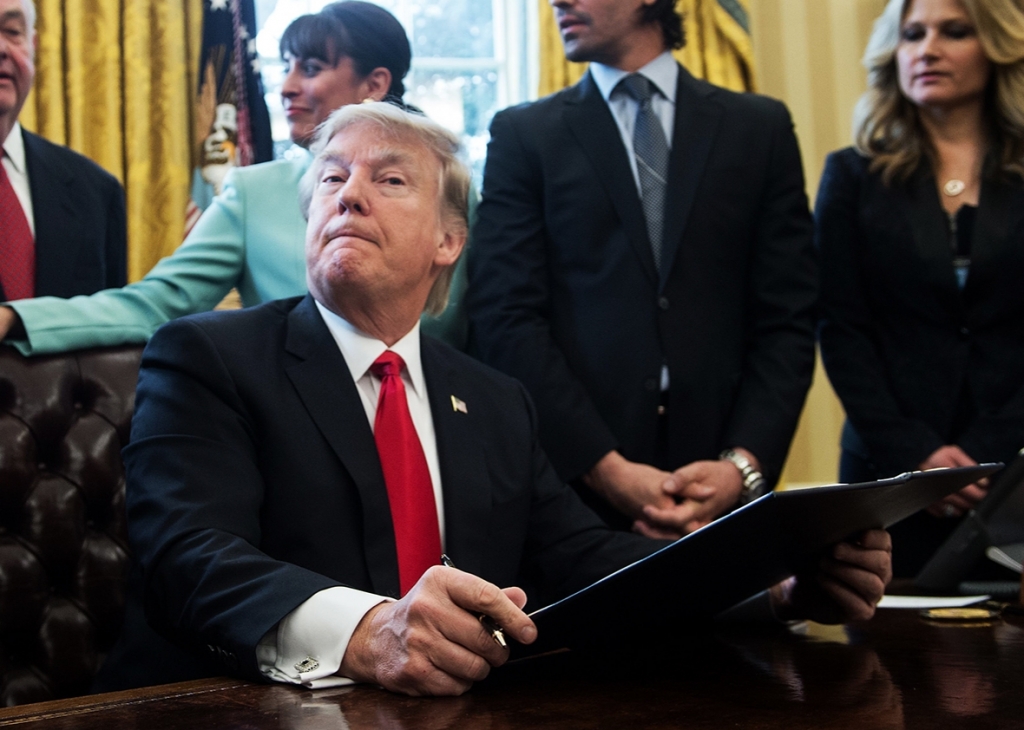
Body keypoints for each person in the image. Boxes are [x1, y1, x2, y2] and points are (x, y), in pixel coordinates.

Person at [95, 102, 892, 697]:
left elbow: (587, 562)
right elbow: (189, 556)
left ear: (449, 242)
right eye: (331, 177)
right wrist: (368, 631)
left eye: (390, 178)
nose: (349, 194)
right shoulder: (209, 355)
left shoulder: (495, 399)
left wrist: (775, 583)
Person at [467, 0, 817, 539]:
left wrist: (740, 469)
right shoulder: (525, 136)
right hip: (572, 499)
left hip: (725, 493)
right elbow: (505, 317)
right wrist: (606, 470)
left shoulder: (759, 128)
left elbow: (788, 318)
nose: (557, 2)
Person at [0, 1, 467, 353]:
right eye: (284, 68)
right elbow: (155, 304)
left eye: (310, 68)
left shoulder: (456, 194)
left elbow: (479, 327)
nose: (284, 87)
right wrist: (15, 319)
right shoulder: (252, 193)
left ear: (376, 84)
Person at [816, 0, 1024, 576]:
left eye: (954, 32)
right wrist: (918, 455)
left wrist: (985, 453)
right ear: (893, 54)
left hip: (1012, 476)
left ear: (997, 49)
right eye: (912, 34)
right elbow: (840, 329)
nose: (927, 49)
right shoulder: (852, 176)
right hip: (886, 479)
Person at [0, 0, 125, 302]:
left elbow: (113, 328)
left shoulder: (96, 191)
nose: (1, 49)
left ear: (33, 45)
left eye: (12, 31)